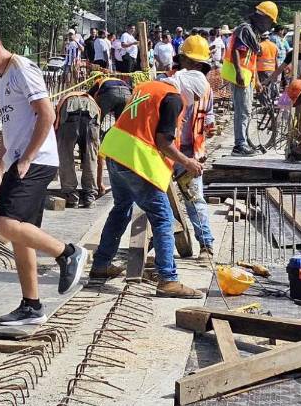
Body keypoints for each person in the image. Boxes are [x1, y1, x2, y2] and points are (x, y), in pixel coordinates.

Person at [0, 23, 89, 326]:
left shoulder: (21, 68)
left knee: (5, 224)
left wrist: (28, 158)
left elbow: (47, 114)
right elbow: (10, 130)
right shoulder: (0, 79)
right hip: (18, 160)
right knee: (21, 236)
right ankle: (32, 305)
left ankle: (68, 253)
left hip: (36, 160)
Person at [88, 77, 205, 297]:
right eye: (195, 97)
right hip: (136, 160)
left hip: (115, 152)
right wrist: (187, 162)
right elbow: (163, 142)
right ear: (190, 90)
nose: (193, 102)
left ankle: (101, 264)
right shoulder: (173, 98)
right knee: (163, 218)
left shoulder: (148, 87)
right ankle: (168, 280)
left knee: (121, 209)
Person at [168, 35, 216, 259]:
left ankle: (206, 245)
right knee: (160, 200)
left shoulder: (203, 88)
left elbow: (209, 114)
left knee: (195, 199)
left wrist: (209, 124)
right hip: (170, 148)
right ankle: (161, 244)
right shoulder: (173, 83)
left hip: (188, 151)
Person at [221, 2, 275, 156]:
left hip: (247, 76)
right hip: (240, 76)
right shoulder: (246, 30)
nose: (270, 25)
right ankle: (240, 145)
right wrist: (238, 72)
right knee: (242, 111)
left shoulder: (253, 33)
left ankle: (241, 142)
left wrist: (256, 81)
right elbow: (237, 51)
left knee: (245, 110)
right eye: (270, 21)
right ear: (262, 17)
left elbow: (251, 60)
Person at [55, 88, 101, 208]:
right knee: (90, 156)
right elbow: (98, 156)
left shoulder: (64, 99)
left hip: (69, 112)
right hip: (92, 112)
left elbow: (54, 125)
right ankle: (89, 197)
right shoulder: (92, 99)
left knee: (65, 155)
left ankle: (71, 196)